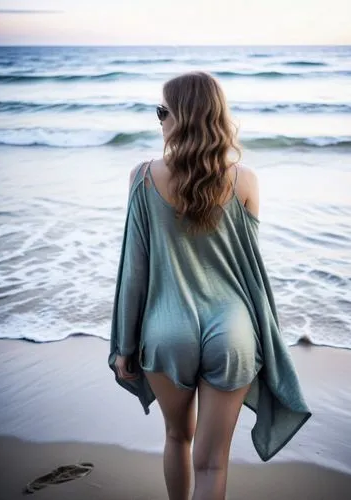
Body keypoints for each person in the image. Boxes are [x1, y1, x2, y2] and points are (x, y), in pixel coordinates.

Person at [108, 71, 311, 500]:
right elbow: (245, 265)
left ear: (179, 118)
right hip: (232, 330)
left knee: (176, 438)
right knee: (213, 462)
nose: (158, 119)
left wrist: (123, 345)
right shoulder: (246, 181)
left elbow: (134, 272)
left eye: (162, 111)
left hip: (166, 330)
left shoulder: (142, 178)